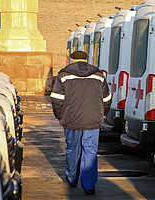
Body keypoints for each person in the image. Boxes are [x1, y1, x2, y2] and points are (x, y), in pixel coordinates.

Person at [50, 50, 111, 195]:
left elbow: (57, 99)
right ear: (86, 59)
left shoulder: (63, 75)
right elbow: (107, 99)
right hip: (92, 121)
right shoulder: (98, 75)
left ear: (71, 60)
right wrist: (102, 114)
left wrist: (60, 116)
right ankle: (89, 185)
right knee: (90, 151)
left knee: (72, 149)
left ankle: (72, 178)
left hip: (71, 120)